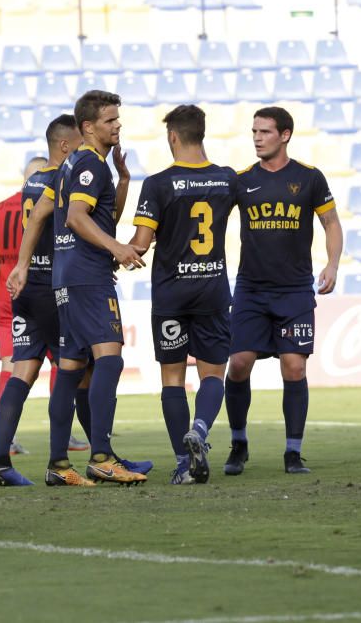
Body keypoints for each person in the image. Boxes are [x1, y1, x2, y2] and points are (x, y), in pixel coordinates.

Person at [13, 90, 148, 486]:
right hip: (89, 276)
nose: (117, 125)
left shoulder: (72, 164)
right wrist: (117, 248)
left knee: (71, 369)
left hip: (65, 277)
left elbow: (73, 214)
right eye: (110, 120)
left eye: (117, 119)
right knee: (109, 359)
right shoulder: (90, 164)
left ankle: (58, 465)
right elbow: (76, 217)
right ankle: (103, 456)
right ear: (88, 127)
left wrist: (123, 178)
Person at [223, 106, 343, 476]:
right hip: (251, 290)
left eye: (265, 132)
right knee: (239, 364)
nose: (257, 138)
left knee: (293, 367)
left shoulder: (309, 178)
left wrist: (332, 263)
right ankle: (239, 443)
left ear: (285, 135)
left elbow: (331, 223)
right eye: (254, 131)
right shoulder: (241, 181)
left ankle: (293, 453)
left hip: (293, 291)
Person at [129, 105, 236, 485]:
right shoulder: (226, 179)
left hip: (171, 294)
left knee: (172, 379)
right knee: (212, 374)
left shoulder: (158, 184)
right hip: (212, 290)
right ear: (201, 133)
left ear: (172, 136)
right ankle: (201, 431)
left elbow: (140, 245)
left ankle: (182, 464)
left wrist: (121, 250)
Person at [0, 116, 88, 487]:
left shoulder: (28, 186)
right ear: (65, 144)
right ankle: (61, 462)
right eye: (79, 143)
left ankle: (0, 461)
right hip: (53, 288)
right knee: (72, 369)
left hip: (22, 287)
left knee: (22, 371)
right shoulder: (65, 180)